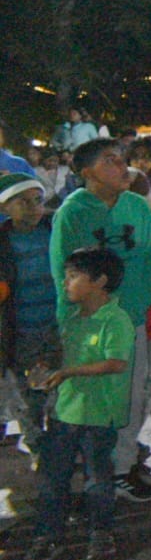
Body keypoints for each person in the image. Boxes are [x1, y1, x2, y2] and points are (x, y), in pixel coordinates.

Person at [50, 139, 151, 503]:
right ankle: (88, 473)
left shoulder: (136, 207)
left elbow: (149, 260)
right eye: (110, 161)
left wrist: (138, 308)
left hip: (129, 319)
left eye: (121, 160)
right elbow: (62, 271)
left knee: (130, 395)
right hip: (89, 323)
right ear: (87, 172)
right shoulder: (73, 213)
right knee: (92, 399)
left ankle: (122, 468)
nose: (122, 167)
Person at [24, 246, 133, 560]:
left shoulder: (115, 319)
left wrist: (68, 372)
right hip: (65, 413)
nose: (65, 283)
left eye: (73, 277)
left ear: (99, 281)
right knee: (53, 477)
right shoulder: (70, 320)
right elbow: (59, 356)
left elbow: (115, 363)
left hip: (99, 415)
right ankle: (47, 535)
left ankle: (100, 532)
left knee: (98, 479)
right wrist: (44, 367)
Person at [0, 173, 57, 461]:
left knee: (63, 392)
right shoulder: (3, 243)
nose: (34, 207)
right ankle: (39, 450)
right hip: (23, 334)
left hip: (59, 329)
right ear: (4, 207)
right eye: (23, 201)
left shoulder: (55, 228)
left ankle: (63, 451)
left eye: (38, 200)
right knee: (31, 398)